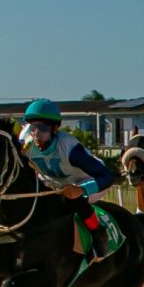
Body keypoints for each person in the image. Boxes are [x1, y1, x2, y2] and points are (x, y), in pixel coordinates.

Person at [19, 99, 117, 259]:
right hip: (58, 185)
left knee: (75, 200)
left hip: (91, 181)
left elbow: (108, 176)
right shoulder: (26, 145)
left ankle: (98, 234)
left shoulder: (69, 148)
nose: (36, 134)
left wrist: (81, 189)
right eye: (33, 127)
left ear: (55, 128)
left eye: (43, 128)